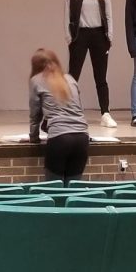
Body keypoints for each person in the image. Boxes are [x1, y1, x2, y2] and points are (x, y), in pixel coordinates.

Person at [65, 0, 117, 128]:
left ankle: (105, 113)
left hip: (99, 35)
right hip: (80, 35)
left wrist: (109, 37)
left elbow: (108, 14)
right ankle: (68, 112)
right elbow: (67, 16)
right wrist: (69, 38)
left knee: (101, 77)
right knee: (72, 77)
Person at [28, 48, 90, 182]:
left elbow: (35, 114)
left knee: (54, 190)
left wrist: (34, 137)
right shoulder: (70, 79)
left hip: (59, 139)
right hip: (82, 138)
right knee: (74, 190)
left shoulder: (37, 80)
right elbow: (78, 108)